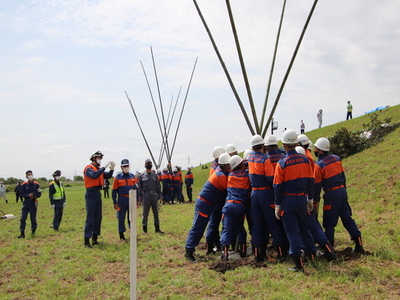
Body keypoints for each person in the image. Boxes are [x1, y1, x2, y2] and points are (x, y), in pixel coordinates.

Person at [274, 129, 317, 272]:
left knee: (292, 232)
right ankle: (312, 257)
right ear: (297, 143)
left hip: (288, 200)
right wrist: (310, 199)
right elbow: (311, 181)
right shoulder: (305, 160)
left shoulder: (282, 163)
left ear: (284, 145)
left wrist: (278, 204)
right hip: (302, 199)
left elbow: (278, 186)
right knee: (305, 229)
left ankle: (298, 264)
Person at [313, 137, 364, 253]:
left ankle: (329, 249)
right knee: (347, 218)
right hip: (342, 191)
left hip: (331, 194)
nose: (315, 150)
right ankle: (359, 244)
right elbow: (343, 176)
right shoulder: (336, 159)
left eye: (316, 148)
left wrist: (315, 200)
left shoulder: (319, 165)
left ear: (320, 150)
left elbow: (317, 185)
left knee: (329, 223)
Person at [185, 153, 231, 262]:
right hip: (204, 203)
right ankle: (189, 251)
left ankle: (191, 249)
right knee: (198, 227)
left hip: (207, 203)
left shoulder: (221, 172)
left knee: (200, 226)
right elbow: (229, 188)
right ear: (225, 165)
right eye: (229, 165)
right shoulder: (221, 175)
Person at [220, 155, 251, 261]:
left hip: (229, 206)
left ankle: (225, 254)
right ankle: (242, 251)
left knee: (226, 229)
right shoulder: (246, 177)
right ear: (241, 164)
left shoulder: (230, 175)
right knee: (240, 228)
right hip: (240, 206)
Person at [83, 151, 115, 248]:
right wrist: (104, 167)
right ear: (93, 159)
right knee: (90, 218)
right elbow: (94, 175)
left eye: (101, 158)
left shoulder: (99, 169)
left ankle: (95, 239)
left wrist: (111, 169)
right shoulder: (88, 168)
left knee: (98, 217)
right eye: (98, 158)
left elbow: (107, 176)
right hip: (90, 194)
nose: (100, 160)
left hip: (98, 194)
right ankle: (86, 241)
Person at [112, 159, 136, 241]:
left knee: (131, 217)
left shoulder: (132, 176)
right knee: (121, 218)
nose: (126, 168)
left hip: (131, 199)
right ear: (121, 167)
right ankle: (121, 235)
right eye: (124, 166)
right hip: (122, 199)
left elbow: (136, 189)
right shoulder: (117, 177)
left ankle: (132, 233)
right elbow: (114, 191)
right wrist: (115, 202)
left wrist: (137, 200)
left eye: (127, 166)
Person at [138, 159, 164, 234]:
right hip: (146, 195)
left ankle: (157, 228)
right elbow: (139, 187)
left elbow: (158, 186)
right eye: (147, 163)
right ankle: (144, 229)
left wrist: (160, 195)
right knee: (145, 213)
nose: (148, 165)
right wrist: (139, 197)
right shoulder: (142, 176)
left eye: (150, 163)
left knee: (156, 212)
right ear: (145, 165)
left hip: (154, 195)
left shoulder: (155, 175)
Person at [18, 170, 42, 238]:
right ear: (26, 176)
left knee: (33, 219)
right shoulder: (24, 185)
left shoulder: (36, 184)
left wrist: (34, 196)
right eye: (29, 175)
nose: (30, 176)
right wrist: (28, 195)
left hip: (33, 203)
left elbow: (39, 194)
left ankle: (33, 231)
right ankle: (22, 233)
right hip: (26, 203)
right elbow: (21, 194)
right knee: (23, 218)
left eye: (31, 174)